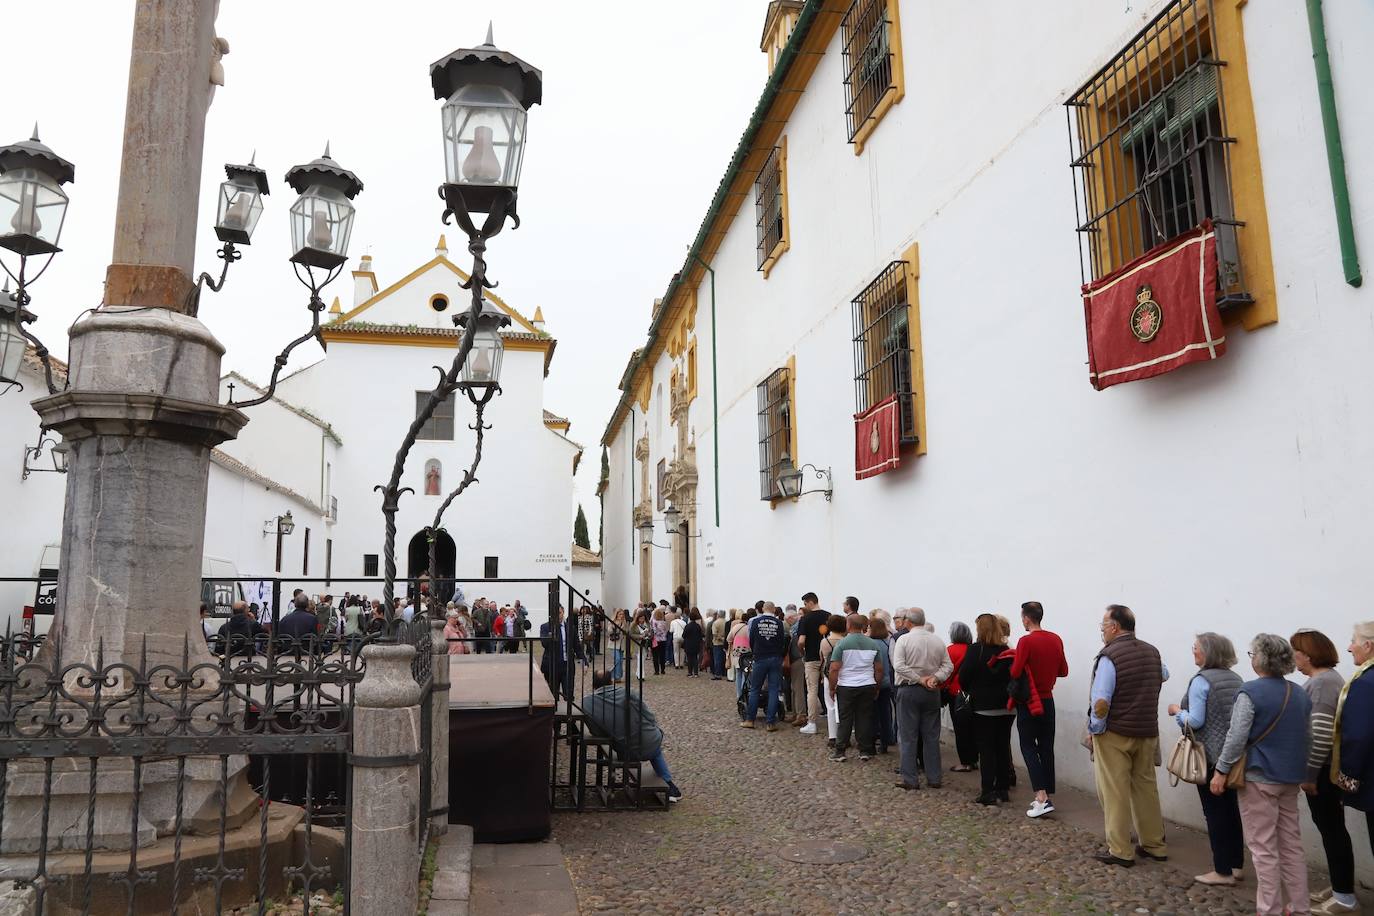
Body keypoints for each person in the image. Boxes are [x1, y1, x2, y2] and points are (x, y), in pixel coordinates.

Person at [1211, 634, 1312, 915]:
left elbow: (1236, 736)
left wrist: (1221, 770)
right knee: (1291, 846)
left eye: (1252, 654)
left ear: (1260, 658)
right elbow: (1308, 737)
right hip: (1290, 778)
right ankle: (1301, 907)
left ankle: (1269, 909)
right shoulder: (1299, 692)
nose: (1251, 658)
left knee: (1264, 849)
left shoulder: (1251, 691)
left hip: (1259, 778)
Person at [1088, 604, 1169, 867]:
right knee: (1146, 788)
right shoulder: (1152, 652)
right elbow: (1164, 674)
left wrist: (1095, 730)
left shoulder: (1109, 656)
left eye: (1103, 627)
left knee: (1114, 791)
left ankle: (1121, 849)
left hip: (1116, 732)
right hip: (1146, 730)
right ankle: (1154, 844)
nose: (1102, 632)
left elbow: (1101, 701)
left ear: (1114, 627)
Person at [1167, 632, 1245, 886]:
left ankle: (1221, 870)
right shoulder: (1236, 678)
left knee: (1214, 812)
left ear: (1208, 652)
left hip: (1209, 755)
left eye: (1197, 647)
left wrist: (1177, 711)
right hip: (1232, 755)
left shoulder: (1201, 681)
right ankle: (1236, 864)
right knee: (1231, 810)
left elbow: (1196, 720)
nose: (1193, 651)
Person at [1288, 630, 1353, 913]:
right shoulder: (1322, 680)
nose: (1293, 656)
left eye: (1295, 651)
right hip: (1323, 771)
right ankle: (1340, 887)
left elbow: (1321, 734)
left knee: (1333, 831)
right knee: (1331, 831)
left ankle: (1344, 898)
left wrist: (1310, 776)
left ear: (1309, 654)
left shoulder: (1324, 683)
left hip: (1323, 773)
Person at [1327, 621, 1374, 912]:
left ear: (1368, 645)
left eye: (1353, 641)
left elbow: (1358, 735)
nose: (1348, 647)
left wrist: (1347, 778)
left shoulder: (1367, 682)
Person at [581, 670, 682, 802]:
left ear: (594, 684)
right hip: (649, 742)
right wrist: (653, 726)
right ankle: (669, 784)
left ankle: (669, 784)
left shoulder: (587, 703)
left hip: (625, 749)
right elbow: (649, 715)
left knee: (645, 743)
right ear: (611, 681)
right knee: (653, 747)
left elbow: (596, 732)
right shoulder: (628, 693)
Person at [1011, 601, 1069, 818]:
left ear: (1026, 618)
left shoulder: (1025, 641)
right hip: (1048, 701)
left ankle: (1041, 796)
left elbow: (1016, 672)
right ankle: (1046, 793)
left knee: (1028, 746)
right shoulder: (1055, 639)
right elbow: (1063, 670)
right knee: (1046, 746)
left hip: (1029, 701)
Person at [889, 607, 951, 789]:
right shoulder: (937, 641)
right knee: (931, 736)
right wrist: (935, 678)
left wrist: (919, 678)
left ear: (908, 622)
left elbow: (898, 665)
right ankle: (934, 777)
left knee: (908, 736)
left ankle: (910, 778)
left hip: (909, 690)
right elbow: (948, 666)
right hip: (931, 691)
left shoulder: (904, 640)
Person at [960, 613, 1014, 805]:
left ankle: (987, 790)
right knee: (1002, 747)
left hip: (983, 707)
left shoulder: (976, 650)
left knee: (987, 750)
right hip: (1006, 707)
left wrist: (972, 690)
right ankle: (1003, 788)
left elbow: (964, 676)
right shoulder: (1006, 650)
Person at [826, 613, 883, 763]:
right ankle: (864, 750)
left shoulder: (842, 644)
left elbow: (834, 668)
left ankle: (840, 750)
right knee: (864, 717)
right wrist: (877, 686)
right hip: (867, 684)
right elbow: (878, 669)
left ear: (848, 625)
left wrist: (832, 688)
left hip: (846, 685)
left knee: (845, 718)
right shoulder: (873, 644)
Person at [741, 602, 788, 731]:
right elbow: (781, 641)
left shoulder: (756, 622)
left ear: (763, 609)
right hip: (775, 658)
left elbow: (751, 639)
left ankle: (750, 720)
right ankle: (770, 722)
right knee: (773, 690)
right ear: (773, 610)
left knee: (755, 689)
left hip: (760, 657)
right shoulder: (779, 623)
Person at [945, 621, 977, 772]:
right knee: (973, 728)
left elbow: (947, 672)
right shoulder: (974, 649)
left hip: (956, 694)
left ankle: (965, 762)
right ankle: (974, 759)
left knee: (960, 729)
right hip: (974, 693)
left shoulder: (950, 650)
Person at [869, 616, 897, 755]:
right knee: (886, 713)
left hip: (874, 681)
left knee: (873, 714)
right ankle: (886, 741)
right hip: (887, 682)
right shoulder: (888, 642)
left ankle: (873, 741)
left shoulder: (871, 644)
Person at [819, 614, 846, 746]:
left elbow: (822, 659)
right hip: (844, 675)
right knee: (845, 707)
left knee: (830, 706)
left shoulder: (825, 642)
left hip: (829, 675)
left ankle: (833, 736)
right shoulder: (846, 641)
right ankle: (844, 735)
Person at [540, 606, 576, 702]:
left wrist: (583, 659)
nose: (558, 616)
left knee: (568, 694)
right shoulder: (545, 627)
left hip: (566, 665)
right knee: (552, 695)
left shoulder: (570, 627)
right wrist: (552, 632)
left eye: (559, 613)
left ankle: (568, 714)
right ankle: (553, 715)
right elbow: (544, 644)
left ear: (563, 612)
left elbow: (576, 645)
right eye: (555, 613)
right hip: (552, 665)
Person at [682, 609, 704, 678]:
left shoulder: (688, 626)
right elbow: (701, 635)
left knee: (689, 659)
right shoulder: (698, 626)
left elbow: (683, 635)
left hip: (688, 644)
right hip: (696, 644)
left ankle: (690, 672)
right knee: (695, 658)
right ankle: (696, 673)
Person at [608, 608, 628, 681]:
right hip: (614, 643)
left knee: (621, 661)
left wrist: (623, 624)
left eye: (622, 614)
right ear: (616, 614)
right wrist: (617, 625)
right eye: (620, 614)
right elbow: (609, 631)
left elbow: (626, 632)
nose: (621, 616)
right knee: (617, 660)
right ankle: (611, 674)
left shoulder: (625, 622)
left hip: (621, 644)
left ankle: (618, 676)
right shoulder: (612, 622)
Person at [650, 607, 670, 675]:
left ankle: (656, 671)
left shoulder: (654, 622)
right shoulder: (664, 622)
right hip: (663, 640)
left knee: (655, 656)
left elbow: (654, 631)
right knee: (662, 655)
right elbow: (666, 630)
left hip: (656, 640)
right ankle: (663, 670)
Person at [709, 610, 728, 679]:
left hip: (717, 643)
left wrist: (720, 638)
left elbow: (714, 634)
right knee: (724, 658)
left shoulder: (716, 623)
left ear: (718, 615)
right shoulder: (726, 622)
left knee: (717, 659)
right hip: (725, 643)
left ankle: (718, 674)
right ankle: (724, 672)